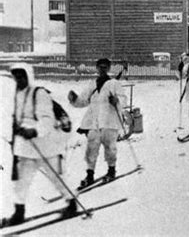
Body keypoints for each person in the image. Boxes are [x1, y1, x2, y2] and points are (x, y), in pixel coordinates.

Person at [1, 63, 76, 227]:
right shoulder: (17, 95)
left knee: (58, 177)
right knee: (20, 182)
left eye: (22, 76)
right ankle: (18, 213)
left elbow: (47, 120)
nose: (19, 79)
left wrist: (34, 131)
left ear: (29, 76)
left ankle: (71, 203)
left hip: (45, 146)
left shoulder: (39, 93)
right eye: (16, 76)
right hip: (25, 148)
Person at [68, 58, 126, 187]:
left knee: (110, 148)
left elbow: (123, 99)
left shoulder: (114, 83)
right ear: (97, 68)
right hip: (93, 122)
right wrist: (74, 99)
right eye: (100, 67)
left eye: (105, 67)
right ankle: (90, 175)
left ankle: (111, 171)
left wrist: (116, 100)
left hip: (109, 121)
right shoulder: (92, 84)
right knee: (91, 149)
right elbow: (83, 101)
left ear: (109, 68)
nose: (102, 69)